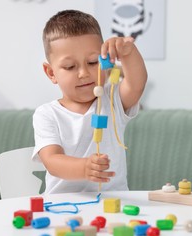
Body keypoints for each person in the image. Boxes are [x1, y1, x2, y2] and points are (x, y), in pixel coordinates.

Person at [32, 10, 147, 194]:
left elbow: (136, 84)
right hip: (62, 204)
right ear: (51, 73)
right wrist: (84, 167)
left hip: (112, 201)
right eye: (70, 67)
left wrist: (128, 53)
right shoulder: (47, 114)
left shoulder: (112, 101)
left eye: (93, 62)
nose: (84, 73)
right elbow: (52, 160)